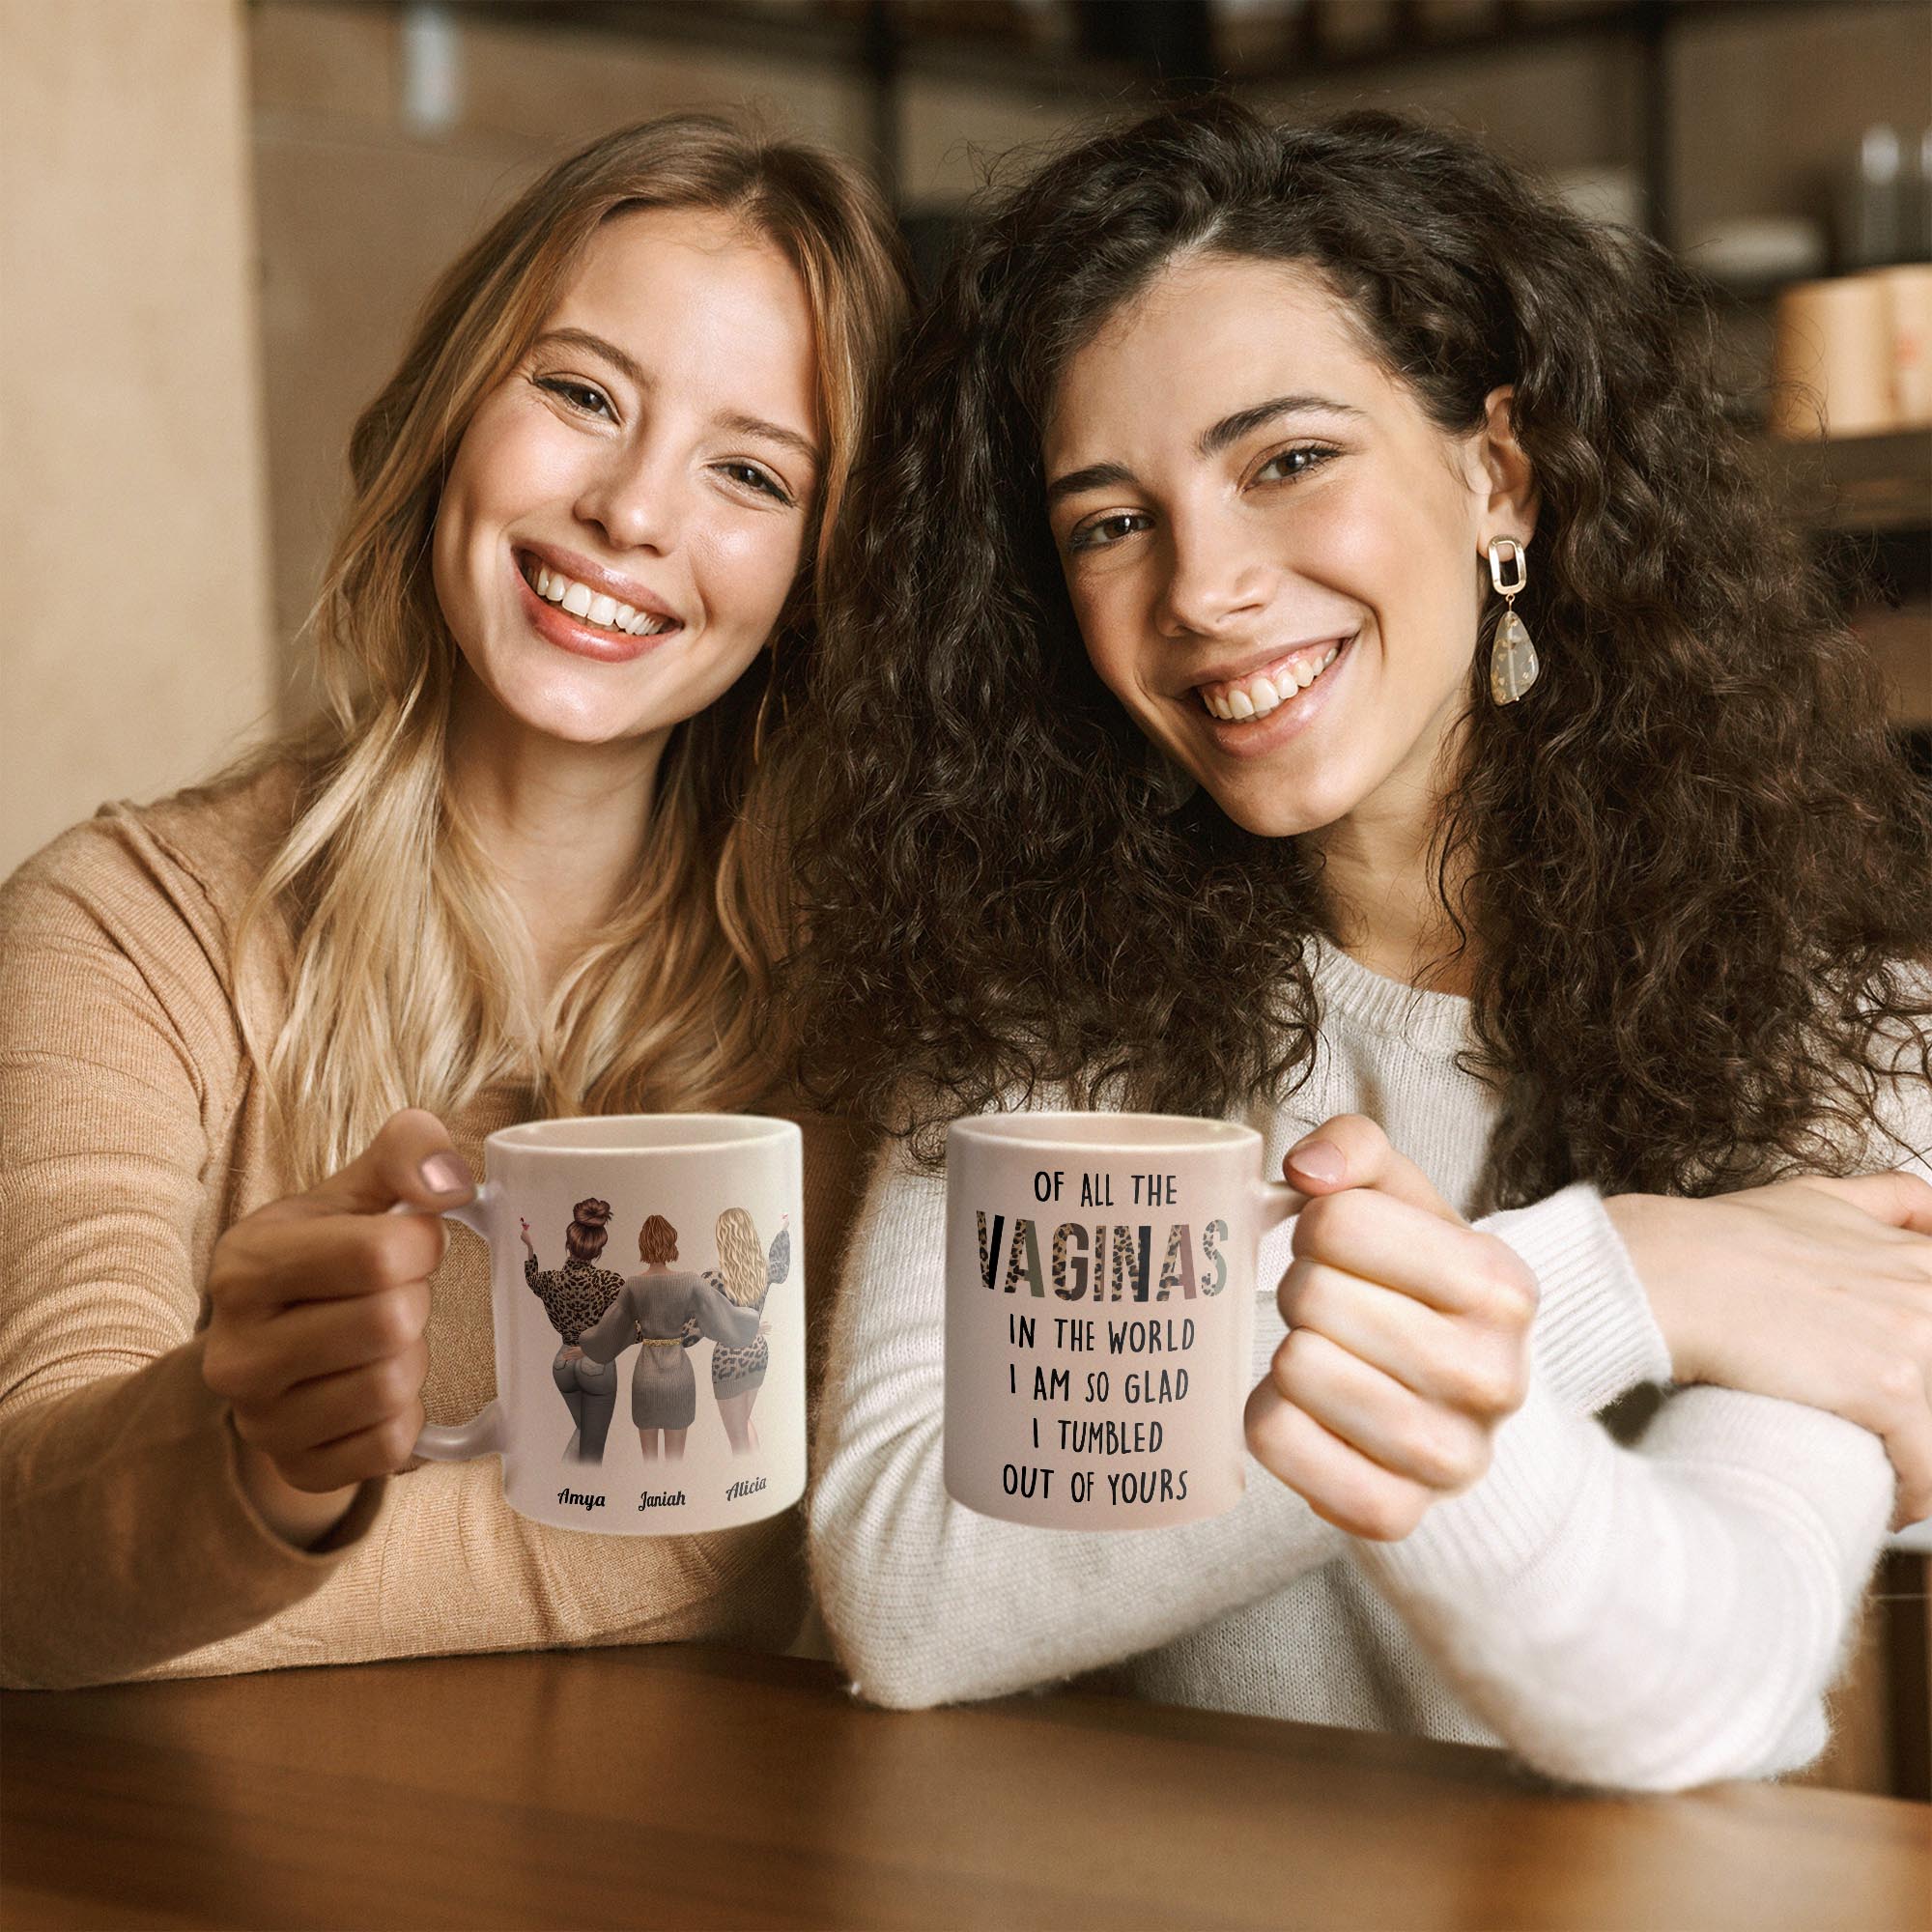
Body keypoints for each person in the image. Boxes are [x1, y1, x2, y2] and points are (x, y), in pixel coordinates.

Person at [791, 100, 1932, 1790]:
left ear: (1500, 475)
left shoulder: (1842, 1019)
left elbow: (1703, 1681)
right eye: (1111, 521)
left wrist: (1482, 1305)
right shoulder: (1040, 1010)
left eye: (1287, 461)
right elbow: (906, 1592)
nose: (1204, 586)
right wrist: (1618, 1277)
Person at [0, 115, 907, 1689]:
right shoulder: (121, 928)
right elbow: (29, 1557)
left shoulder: (863, 1005)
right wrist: (262, 1462)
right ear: (449, 416)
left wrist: (226, 1571)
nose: (633, 510)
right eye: (580, 393)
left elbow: (788, 1520)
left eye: (750, 472)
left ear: (818, 574)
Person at [579, 1214, 764, 1461]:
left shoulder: (633, 1285)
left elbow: (609, 1330)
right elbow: (722, 1314)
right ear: (672, 1243)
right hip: (680, 1377)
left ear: (642, 1244)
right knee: (675, 1461)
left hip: (645, 1377)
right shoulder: (689, 1281)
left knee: (649, 1461)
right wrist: (750, 1322)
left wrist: (586, 1344)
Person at [520, 1199, 625, 1463]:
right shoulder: (610, 1283)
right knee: (592, 1448)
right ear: (598, 1251)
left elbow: (532, 1279)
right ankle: (580, 1493)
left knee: (583, 1431)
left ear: (568, 1245)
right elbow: (625, 1325)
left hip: (563, 1362)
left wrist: (529, 1246)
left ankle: (565, 1487)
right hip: (595, 1362)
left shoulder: (551, 1280)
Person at [707, 1208, 791, 1453]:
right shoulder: (763, 1270)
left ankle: (745, 1476)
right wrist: (783, 1233)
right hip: (757, 1351)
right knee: (744, 1424)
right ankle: (753, 1472)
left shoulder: (715, 1280)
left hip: (728, 1358)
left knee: (737, 1437)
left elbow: (705, 1325)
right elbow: (782, 1267)